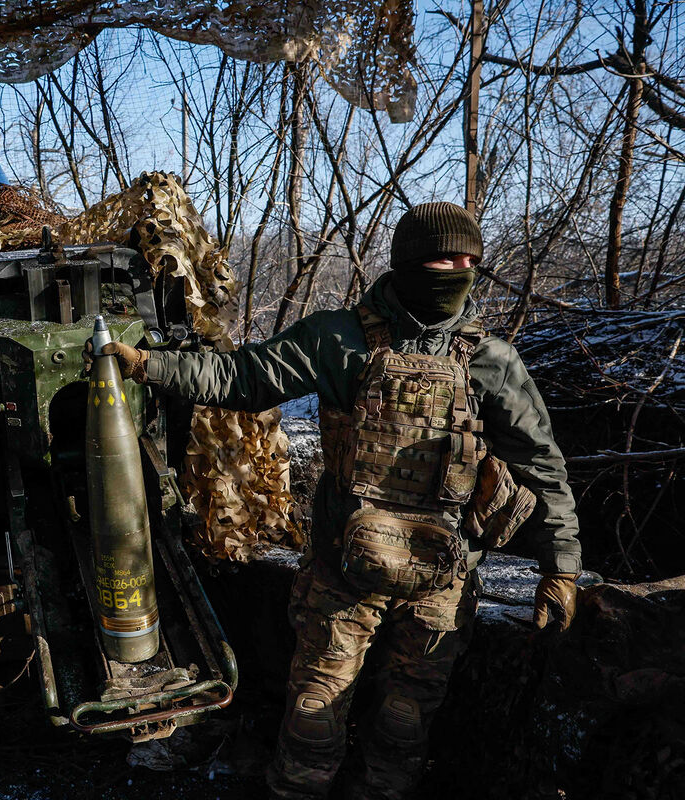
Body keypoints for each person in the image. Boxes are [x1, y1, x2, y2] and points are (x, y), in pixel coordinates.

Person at [97, 203, 582, 799]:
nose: (456, 268)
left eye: (467, 259)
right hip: (341, 572)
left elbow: (542, 465)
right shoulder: (338, 338)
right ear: (407, 263)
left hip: (444, 577)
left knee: (405, 729)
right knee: (312, 718)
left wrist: (560, 567)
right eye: (441, 257)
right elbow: (243, 378)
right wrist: (150, 365)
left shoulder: (491, 359)